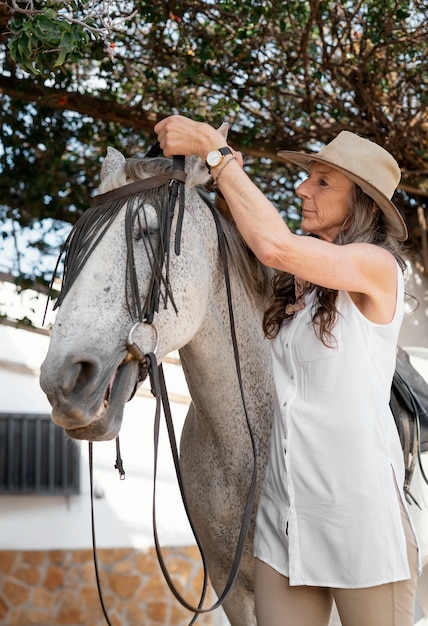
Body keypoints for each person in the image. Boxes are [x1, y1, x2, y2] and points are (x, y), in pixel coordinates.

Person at [155, 115, 420, 626]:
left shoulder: (378, 268)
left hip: (357, 520)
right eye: (307, 177)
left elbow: (274, 244)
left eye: (323, 182)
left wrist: (213, 152)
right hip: (287, 520)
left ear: (361, 203)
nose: (302, 188)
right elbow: (256, 236)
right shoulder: (299, 286)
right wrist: (225, 168)